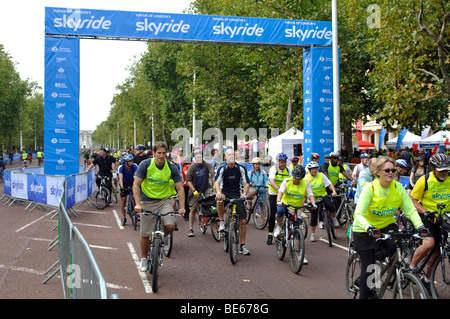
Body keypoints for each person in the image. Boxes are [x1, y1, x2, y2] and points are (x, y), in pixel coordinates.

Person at [352, 156, 426, 299]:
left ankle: (381, 267)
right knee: (368, 269)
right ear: (378, 172)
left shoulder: (398, 188)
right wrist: (369, 228)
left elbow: (410, 210)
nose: (391, 173)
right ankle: (367, 283)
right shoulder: (370, 189)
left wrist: (420, 226)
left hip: (386, 225)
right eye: (387, 170)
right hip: (364, 228)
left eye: (393, 170)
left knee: (396, 247)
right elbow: (358, 214)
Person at [133, 141, 185, 272]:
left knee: (170, 226)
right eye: (159, 153)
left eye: (163, 153)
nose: (161, 156)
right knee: (145, 234)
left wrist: (182, 207)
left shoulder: (171, 167)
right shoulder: (145, 165)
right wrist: (138, 204)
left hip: (164, 200)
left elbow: (180, 188)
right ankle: (144, 258)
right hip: (147, 200)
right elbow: (136, 185)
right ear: (154, 153)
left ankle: (161, 237)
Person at [409, 154, 450, 289]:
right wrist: (426, 211)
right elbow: (413, 200)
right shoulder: (424, 180)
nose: (444, 173)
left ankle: (427, 280)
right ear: (433, 169)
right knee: (429, 244)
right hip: (426, 217)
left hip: (444, 219)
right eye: (441, 170)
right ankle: (412, 266)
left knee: (438, 250)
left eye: (446, 170)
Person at [276, 165, 317, 264]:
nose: (297, 181)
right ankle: (278, 227)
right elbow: (280, 192)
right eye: (295, 178)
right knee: (280, 212)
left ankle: (300, 255)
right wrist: (279, 201)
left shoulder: (305, 182)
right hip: (286, 205)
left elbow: (310, 194)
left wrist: (314, 204)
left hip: (297, 208)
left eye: (299, 179)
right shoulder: (287, 181)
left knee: (297, 230)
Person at [214, 148, 251, 255]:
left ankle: (242, 246)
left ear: (235, 157)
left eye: (232, 155)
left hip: (237, 193)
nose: (231, 156)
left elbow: (247, 182)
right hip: (225, 191)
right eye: (228, 154)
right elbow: (217, 181)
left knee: (243, 221)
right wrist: (218, 192)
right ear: (225, 157)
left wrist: (244, 193)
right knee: (219, 199)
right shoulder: (222, 168)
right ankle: (221, 222)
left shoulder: (241, 168)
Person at [305, 162, 337, 242]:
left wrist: (333, 191)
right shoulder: (306, 178)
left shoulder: (321, 175)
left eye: (315, 169)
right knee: (314, 217)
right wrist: (307, 200)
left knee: (330, 206)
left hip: (323, 195)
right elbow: (304, 190)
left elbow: (330, 184)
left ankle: (334, 219)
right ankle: (312, 234)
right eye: (312, 169)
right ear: (309, 170)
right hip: (313, 199)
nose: (314, 171)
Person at [186, 152, 215, 237]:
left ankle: (215, 220)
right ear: (194, 158)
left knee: (214, 200)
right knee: (193, 210)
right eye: (197, 157)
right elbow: (188, 180)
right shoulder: (192, 167)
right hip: (195, 190)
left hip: (206, 188)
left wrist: (214, 185)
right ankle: (190, 228)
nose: (199, 159)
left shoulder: (206, 164)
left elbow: (213, 174)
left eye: (200, 157)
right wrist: (194, 190)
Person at [266, 153, 292, 245]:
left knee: (289, 212)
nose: (283, 164)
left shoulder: (289, 170)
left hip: (284, 194)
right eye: (281, 162)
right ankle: (270, 235)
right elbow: (271, 181)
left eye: (284, 162)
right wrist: (278, 189)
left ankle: (286, 232)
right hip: (274, 193)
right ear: (277, 162)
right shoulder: (274, 169)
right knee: (273, 213)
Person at [118, 154, 138, 226]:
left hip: (132, 183)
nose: (132, 162)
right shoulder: (121, 167)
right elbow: (120, 177)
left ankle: (137, 213)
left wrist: (136, 185)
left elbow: (136, 176)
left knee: (135, 198)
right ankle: (123, 218)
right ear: (126, 162)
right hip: (124, 183)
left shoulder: (135, 166)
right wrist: (122, 187)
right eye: (130, 161)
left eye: (132, 160)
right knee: (123, 200)